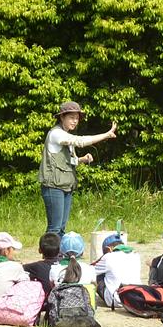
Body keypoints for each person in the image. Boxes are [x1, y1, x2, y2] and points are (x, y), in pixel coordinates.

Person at [38, 101, 117, 236]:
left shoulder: (65, 135)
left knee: (61, 228)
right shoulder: (56, 134)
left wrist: (81, 160)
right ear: (62, 117)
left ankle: (58, 255)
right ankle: (49, 255)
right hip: (53, 186)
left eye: (77, 118)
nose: (75, 121)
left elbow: (66, 161)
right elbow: (80, 141)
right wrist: (106, 135)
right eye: (71, 117)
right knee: (54, 228)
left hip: (66, 185)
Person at [94, 233, 141, 307]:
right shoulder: (136, 255)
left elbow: (91, 271)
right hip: (134, 299)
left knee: (98, 274)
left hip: (116, 300)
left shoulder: (108, 257)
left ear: (108, 248)